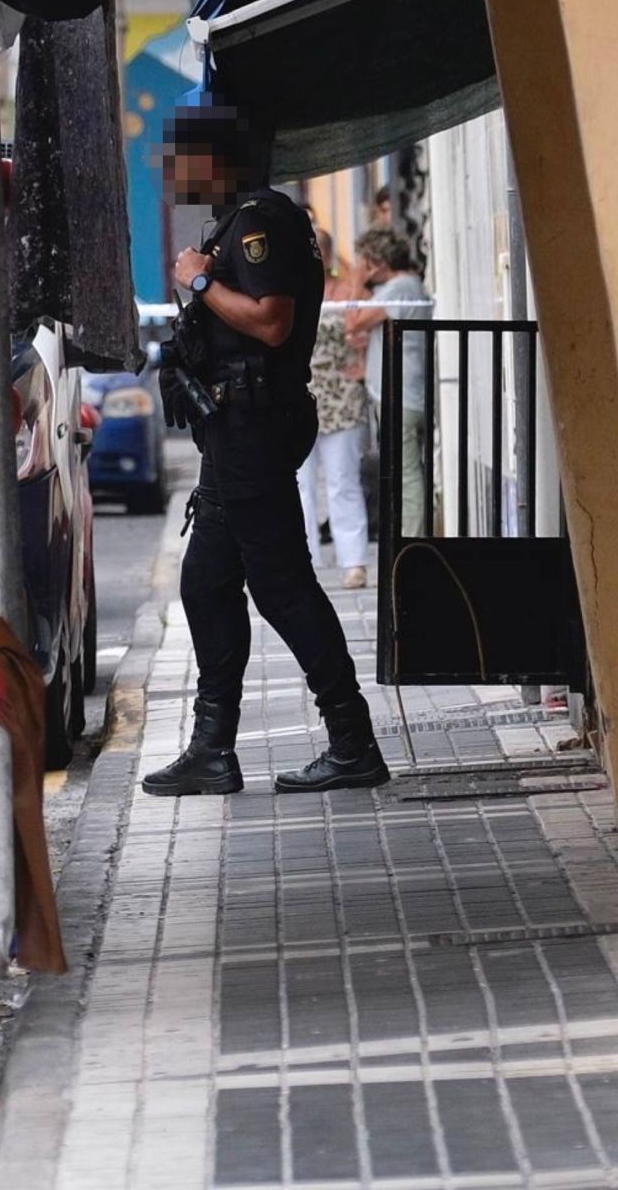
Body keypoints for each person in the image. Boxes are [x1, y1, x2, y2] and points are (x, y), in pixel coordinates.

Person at [144, 97, 388, 799]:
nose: (169, 172)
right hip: (233, 434)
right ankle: (211, 750)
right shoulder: (245, 220)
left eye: (179, 158)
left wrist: (198, 279)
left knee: (282, 585)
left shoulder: (259, 221)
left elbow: (272, 322)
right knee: (205, 582)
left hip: (253, 428)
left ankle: (351, 739)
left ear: (213, 160)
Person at [295, 226, 372, 587]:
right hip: (299, 397)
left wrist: (364, 366)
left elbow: (368, 331)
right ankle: (304, 560)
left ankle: (353, 562)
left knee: (343, 481)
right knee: (300, 483)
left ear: (326, 255)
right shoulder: (291, 292)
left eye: (319, 250)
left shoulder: (347, 291)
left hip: (341, 396)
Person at [347, 226, 431, 537]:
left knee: (407, 474)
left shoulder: (400, 287)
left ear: (377, 262)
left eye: (364, 262)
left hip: (401, 396)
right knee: (403, 471)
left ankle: (412, 542)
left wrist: (356, 283)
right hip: (402, 393)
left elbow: (353, 321)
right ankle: (409, 537)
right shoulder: (404, 286)